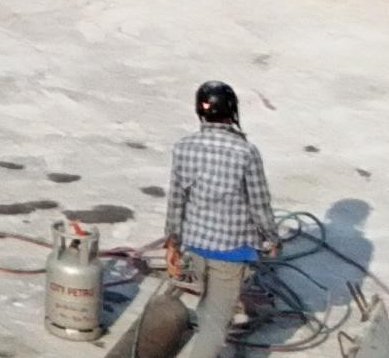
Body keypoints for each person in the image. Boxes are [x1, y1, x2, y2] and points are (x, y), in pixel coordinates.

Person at [112, 80, 279, 358]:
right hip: (232, 250)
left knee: (205, 302)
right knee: (216, 321)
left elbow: (177, 199)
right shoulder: (246, 153)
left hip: (195, 245)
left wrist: (173, 243)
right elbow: (259, 204)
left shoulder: (184, 147)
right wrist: (271, 238)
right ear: (232, 111)